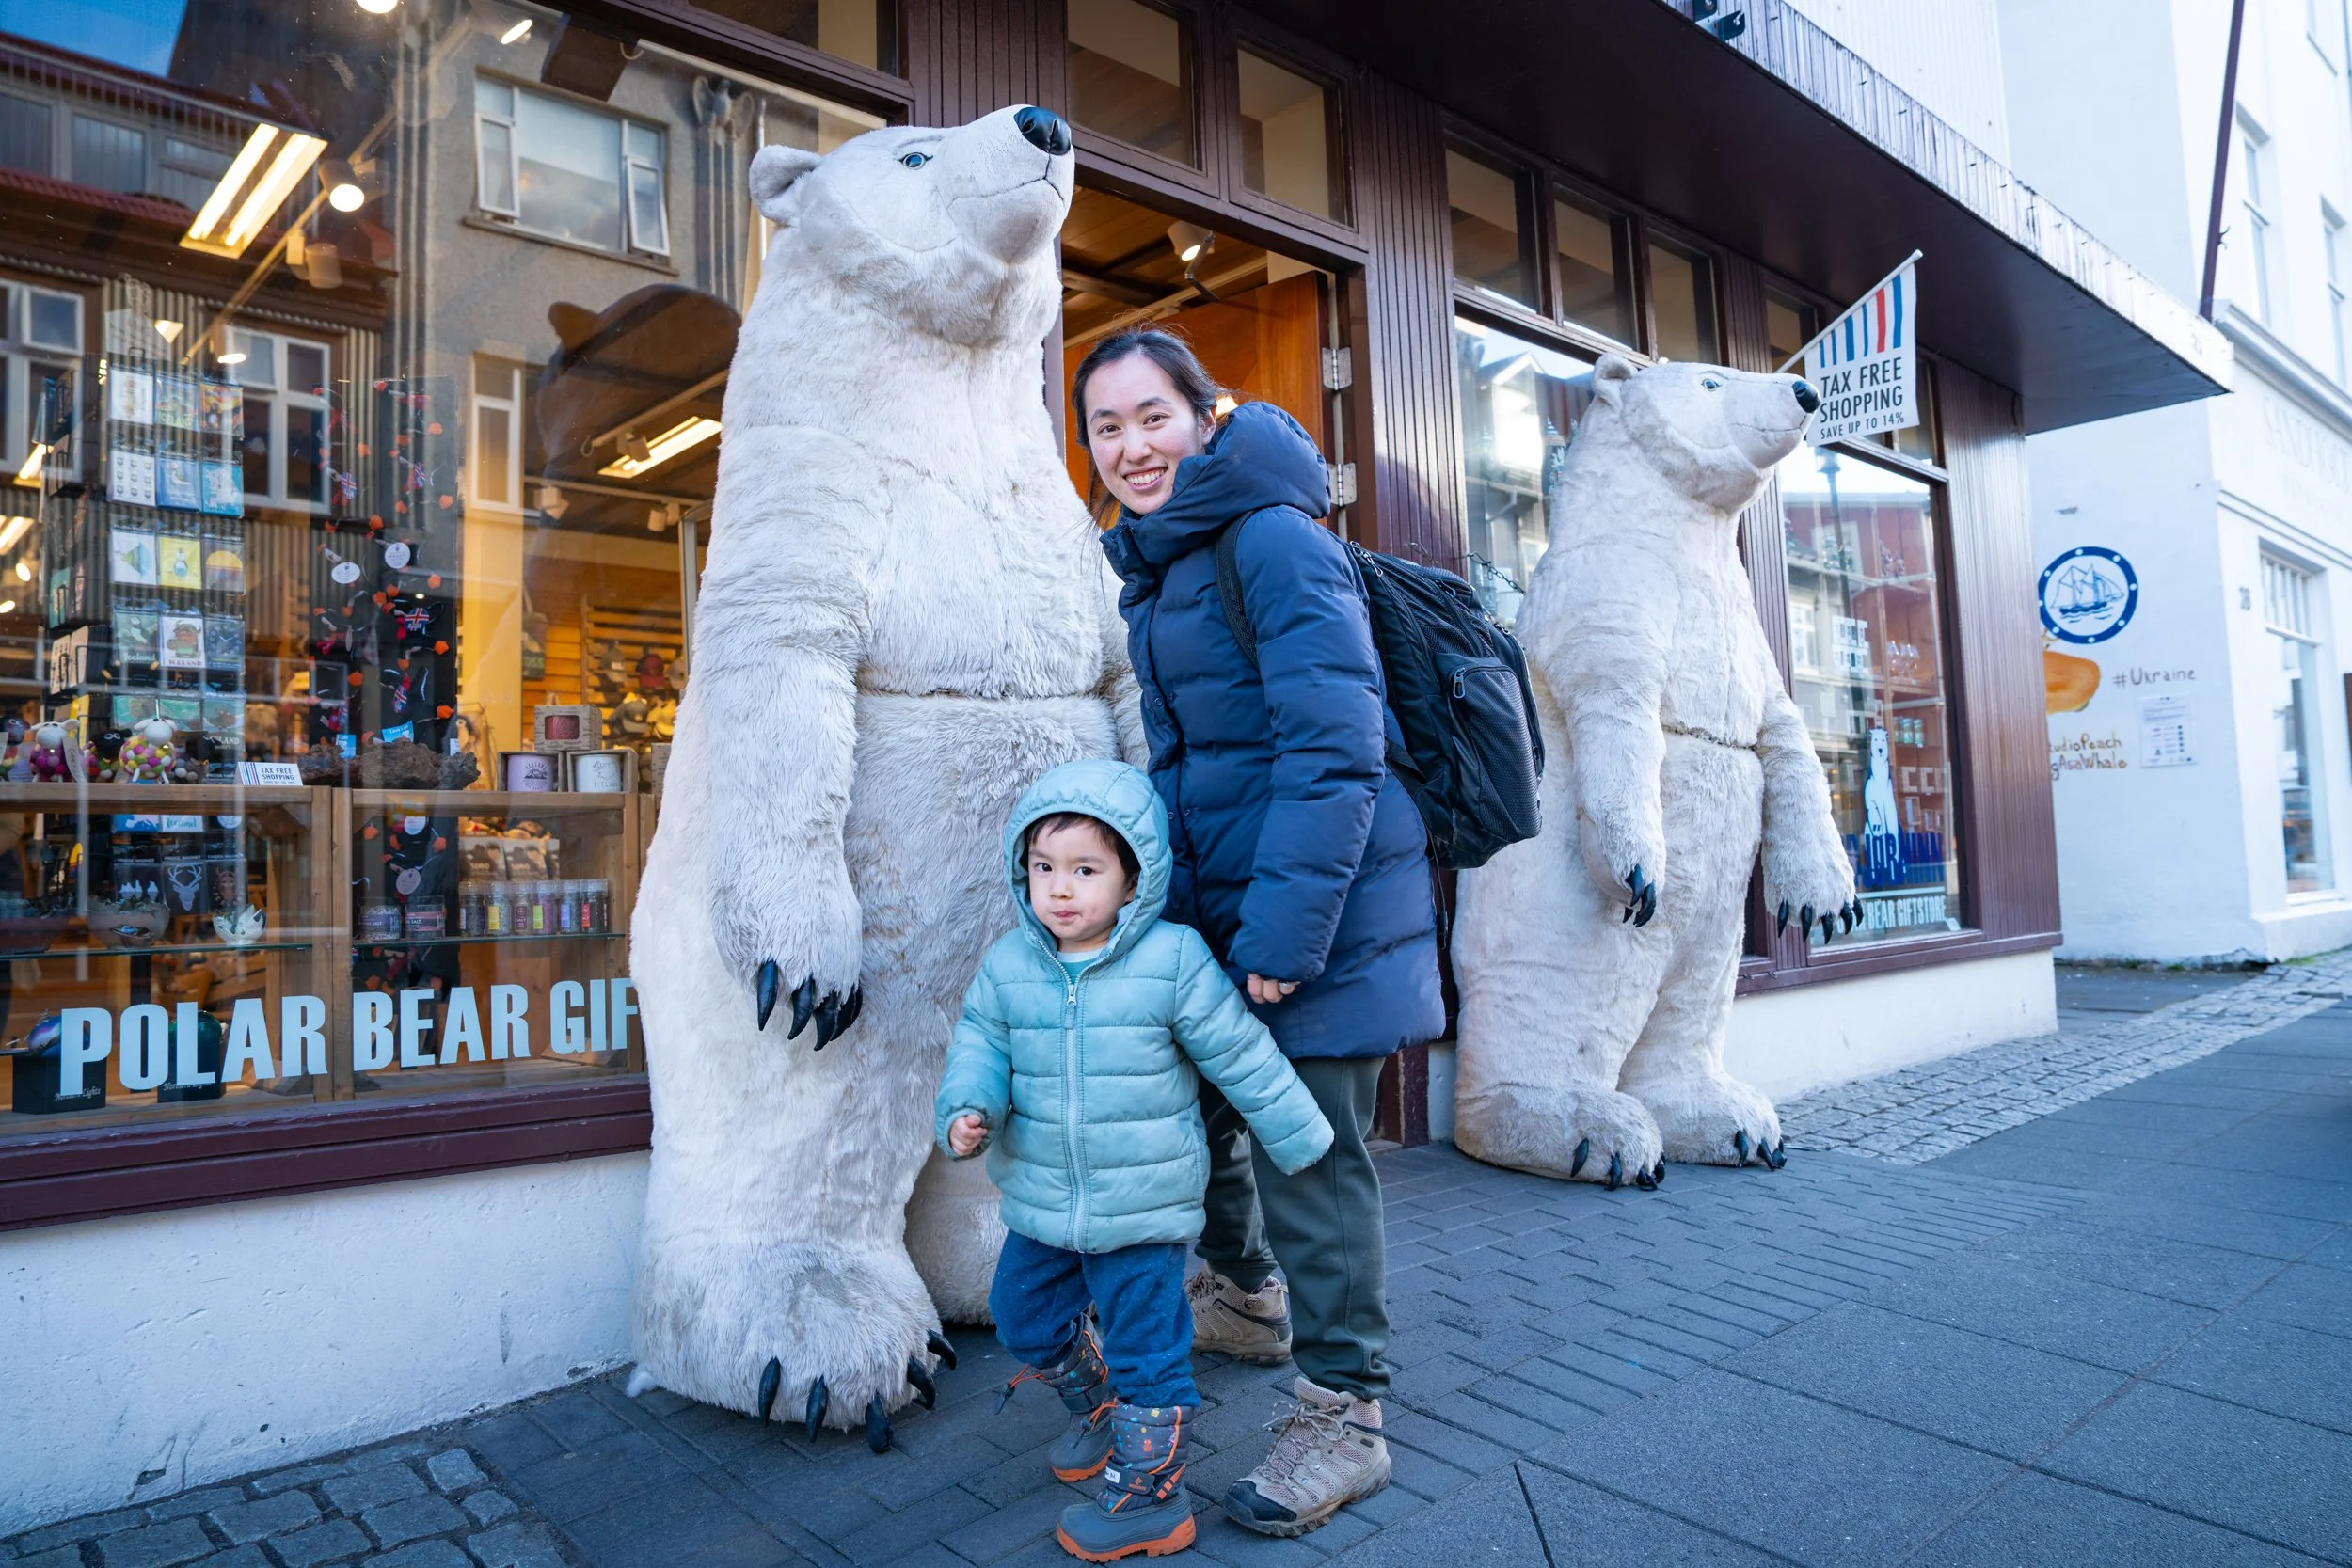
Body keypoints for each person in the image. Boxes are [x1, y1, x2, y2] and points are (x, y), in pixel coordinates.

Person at [1084, 329, 1446, 1539]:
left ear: (1203, 414)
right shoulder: (1166, 562)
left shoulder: (1275, 539)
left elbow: (1333, 747)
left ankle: (1345, 1412)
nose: (1131, 446)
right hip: (1232, 904)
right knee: (1211, 1115)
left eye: (1152, 416)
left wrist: (1285, 934)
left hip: (1323, 909)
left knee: (1311, 1153)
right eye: (1105, 427)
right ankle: (1244, 1295)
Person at [936, 757, 1332, 1563]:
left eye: (1085, 869)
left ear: (1132, 876)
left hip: (1145, 1207)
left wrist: (1300, 1136)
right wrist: (967, 1109)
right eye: (1044, 868)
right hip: (1046, 1199)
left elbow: (1239, 1053)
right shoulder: (1011, 964)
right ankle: (1100, 1403)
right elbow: (979, 1043)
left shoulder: (1172, 958)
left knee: (1150, 1347)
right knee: (1021, 1314)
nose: (1061, 889)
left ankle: (1155, 1494)